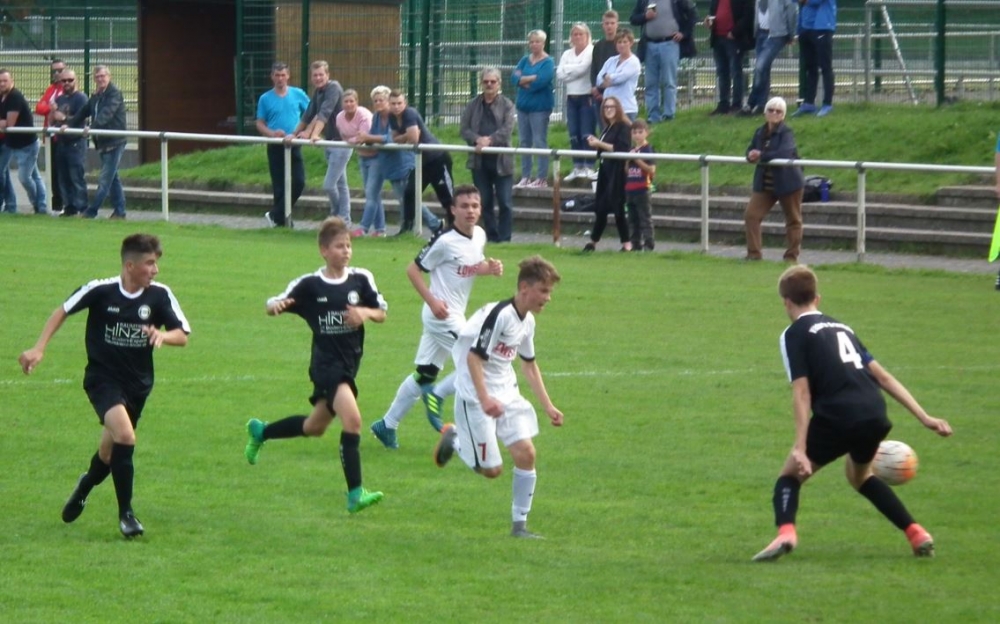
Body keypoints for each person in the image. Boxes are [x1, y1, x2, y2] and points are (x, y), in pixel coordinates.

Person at [752, 264, 953, 562]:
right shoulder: (842, 327)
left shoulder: (794, 334)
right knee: (860, 476)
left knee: (789, 478)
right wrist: (925, 417)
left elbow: (802, 392)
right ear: (817, 298)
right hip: (874, 413)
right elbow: (883, 377)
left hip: (838, 415)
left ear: (786, 302)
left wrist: (800, 447)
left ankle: (786, 533)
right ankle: (916, 533)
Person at [18, 234, 191, 538]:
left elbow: (182, 334)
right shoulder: (101, 290)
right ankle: (127, 515)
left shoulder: (160, 295)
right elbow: (63, 310)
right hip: (102, 380)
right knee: (126, 435)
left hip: (138, 386)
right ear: (130, 265)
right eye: (150, 263)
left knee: (108, 454)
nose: (155, 270)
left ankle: (85, 486)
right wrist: (39, 347)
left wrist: (163, 336)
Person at [244, 217, 386, 514]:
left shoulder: (361, 279)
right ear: (323, 250)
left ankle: (261, 432)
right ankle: (355, 494)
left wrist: (364, 313)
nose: (346, 251)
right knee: (353, 421)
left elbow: (381, 313)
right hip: (326, 366)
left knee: (314, 427)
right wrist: (276, 307)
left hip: (349, 364)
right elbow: (273, 303)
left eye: (348, 245)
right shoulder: (310, 285)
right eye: (339, 246)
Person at [433, 256, 563, 539]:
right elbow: (473, 358)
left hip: (507, 393)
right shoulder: (500, 315)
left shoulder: (527, 322)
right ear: (525, 288)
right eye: (543, 290)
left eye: (549, 292)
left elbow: (529, 366)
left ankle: (519, 527)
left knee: (527, 453)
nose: (548, 298)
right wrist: (485, 400)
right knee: (492, 470)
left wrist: (548, 406)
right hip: (476, 396)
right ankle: (454, 439)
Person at [370, 185, 503, 449]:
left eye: (475, 205)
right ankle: (442, 403)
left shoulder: (479, 235)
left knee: (425, 374)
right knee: (476, 363)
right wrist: (432, 301)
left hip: (453, 314)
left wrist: (489, 268)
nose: (470, 211)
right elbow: (413, 270)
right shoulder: (444, 241)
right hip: (442, 316)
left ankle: (387, 424)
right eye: (464, 206)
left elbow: (469, 266)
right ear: (453, 210)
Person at [743, 96, 804, 262]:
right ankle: (754, 255)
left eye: (779, 111)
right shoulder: (759, 132)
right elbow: (751, 149)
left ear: (783, 115)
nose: (774, 113)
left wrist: (761, 155)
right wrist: (750, 155)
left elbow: (785, 152)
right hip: (765, 184)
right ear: (765, 112)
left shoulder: (787, 133)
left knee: (793, 220)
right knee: (751, 215)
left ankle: (791, 257)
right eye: (771, 110)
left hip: (788, 183)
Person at [460, 67, 516, 243]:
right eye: (486, 82)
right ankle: (491, 237)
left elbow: (507, 129)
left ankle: (505, 239)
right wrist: (477, 139)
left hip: (502, 161)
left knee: (505, 202)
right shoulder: (472, 105)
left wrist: (489, 141)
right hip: (479, 161)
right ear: (481, 83)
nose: (489, 85)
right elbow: (464, 129)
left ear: (499, 83)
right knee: (484, 201)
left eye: (493, 81)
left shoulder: (507, 105)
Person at [65, 65, 127, 219]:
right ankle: (120, 211)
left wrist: (92, 127)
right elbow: (83, 112)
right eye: (97, 77)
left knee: (105, 179)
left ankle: (91, 211)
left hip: (115, 141)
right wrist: (69, 124)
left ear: (109, 76)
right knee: (113, 178)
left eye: (102, 76)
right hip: (103, 143)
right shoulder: (96, 96)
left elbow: (107, 114)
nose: (100, 79)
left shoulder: (114, 94)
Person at [294, 61, 350, 226]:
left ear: (327, 75)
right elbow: (309, 114)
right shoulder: (318, 92)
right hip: (330, 142)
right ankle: (344, 221)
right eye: (315, 75)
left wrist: (314, 134)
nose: (318, 78)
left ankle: (337, 215)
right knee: (341, 184)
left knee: (329, 185)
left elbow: (325, 112)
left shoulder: (333, 88)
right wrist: (294, 134)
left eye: (321, 75)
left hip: (341, 143)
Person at [256, 62, 310, 227]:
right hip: (275, 145)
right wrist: (272, 133)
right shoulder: (265, 98)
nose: (280, 79)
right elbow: (260, 123)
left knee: (298, 181)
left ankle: (275, 214)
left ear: (288, 76)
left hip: (293, 143)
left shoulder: (298, 94)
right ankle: (282, 222)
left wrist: (306, 131)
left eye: (283, 75)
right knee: (279, 185)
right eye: (277, 75)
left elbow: (311, 113)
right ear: (272, 77)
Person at [388, 90, 447, 236]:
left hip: (436, 157)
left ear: (405, 103)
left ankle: (452, 229)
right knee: (409, 193)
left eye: (399, 103)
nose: (396, 107)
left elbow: (414, 138)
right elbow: (396, 138)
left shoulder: (410, 113)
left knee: (446, 196)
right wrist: (406, 136)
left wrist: (404, 137)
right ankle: (407, 228)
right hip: (422, 160)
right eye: (393, 104)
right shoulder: (391, 116)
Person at [630, 0, 698, 124]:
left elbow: (693, 14)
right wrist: (645, 16)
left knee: (669, 81)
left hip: (670, 44)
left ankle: (669, 115)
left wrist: (684, 33)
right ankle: (653, 116)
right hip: (649, 45)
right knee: (651, 83)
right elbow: (633, 19)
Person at [583, 96, 632, 252]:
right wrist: (596, 143)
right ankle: (593, 242)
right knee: (601, 207)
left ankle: (626, 244)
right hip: (605, 171)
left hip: (617, 172)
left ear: (618, 109)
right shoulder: (608, 127)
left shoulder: (623, 127)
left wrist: (599, 143)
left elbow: (621, 148)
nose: (608, 109)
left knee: (617, 208)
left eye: (611, 106)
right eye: (605, 107)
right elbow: (605, 148)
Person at [0, 68, 48, 214]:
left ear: (12, 81)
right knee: (6, 172)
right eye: (0, 81)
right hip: (11, 143)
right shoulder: (2, 97)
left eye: (5, 81)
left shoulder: (15, 97)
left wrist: (3, 123)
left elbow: (9, 124)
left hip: (27, 144)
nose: (2, 84)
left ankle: (38, 204)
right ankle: (21, 205)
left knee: (25, 178)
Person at [512, 30, 555, 189]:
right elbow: (514, 78)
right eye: (531, 41)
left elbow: (541, 82)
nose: (534, 44)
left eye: (537, 41)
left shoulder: (548, 62)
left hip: (540, 108)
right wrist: (530, 78)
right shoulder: (524, 60)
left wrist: (523, 81)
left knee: (539, 141)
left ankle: (541, 178)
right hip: (523, 107)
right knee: (524, 141)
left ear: (543, 43)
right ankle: (525, 176)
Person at [740, 0, 798, 116]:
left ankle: (752, 102)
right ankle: (760, 105)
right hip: (761, 33)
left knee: (760, 67)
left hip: (777, 34)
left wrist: (791, 33)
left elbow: (792, 10)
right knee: (763, 69)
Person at [556, 22, 596, 182]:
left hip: (586, 96)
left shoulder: (591, 51)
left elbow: (583, 69)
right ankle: (577, 166)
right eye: (575, 34)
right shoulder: (567, 54)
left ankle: (589, 166)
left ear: (587, 36)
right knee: (574, 133)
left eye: (581, 34)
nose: (578, 37)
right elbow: (560, 74)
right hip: (571, 97)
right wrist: (573, 69)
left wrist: (569, 70)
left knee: (587, 132)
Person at [706, 0, 756, 115]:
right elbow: (713, 13)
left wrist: (735, 32)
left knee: (736, 72)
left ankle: (736, 104)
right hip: (718, 38)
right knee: (722, 72)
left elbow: (748, 15)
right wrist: (709, 21)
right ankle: (723, 104)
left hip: (734, 39)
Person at [51, 69, 89, 217]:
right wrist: (53, 113)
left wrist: (64, 119)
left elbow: (81, 118)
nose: (67, 83)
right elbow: (54, 120)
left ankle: (83, 208)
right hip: (61, 142)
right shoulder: (59, 99)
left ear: (76, 80)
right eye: (64, 80)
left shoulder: (81, 98)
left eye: (70, 80)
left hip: (76, 143)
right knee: (63, 177)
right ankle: (69, 207)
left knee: (76, 177)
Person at [334, 88, 372, 232]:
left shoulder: (363, 115)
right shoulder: (339, 117)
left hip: (375, 155)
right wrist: (353, 140)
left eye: (352, 101)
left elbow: (363, 136)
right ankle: (377, 229)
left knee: (372, 192)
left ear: (357, 102)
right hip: (362, 154)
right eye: (346, 101)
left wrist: (353, 140)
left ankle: (368, 228)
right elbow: (344, 135)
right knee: (371, 192)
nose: (349, 104)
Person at [791, 0, 837, 117]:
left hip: (822, 27)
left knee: (825, 67)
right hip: (805, 28)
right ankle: (809, 103)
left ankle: (827, 103)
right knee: (810, 67)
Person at [352, 86, 386, 237]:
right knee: (373, 194)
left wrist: (367, 138)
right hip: (367, 156)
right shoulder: (376, 117)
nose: (378, 103)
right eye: (375, 101)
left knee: (371, 193)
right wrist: (363, 138)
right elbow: (372, 135)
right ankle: (380, 229)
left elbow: (389, 137)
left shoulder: (390, 117)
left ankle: (363, 228)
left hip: (380, 158)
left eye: (381, 100)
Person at [35, 58, 66, 212]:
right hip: (50, 136)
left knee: (62, 171)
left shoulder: (67, 89)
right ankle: (56, 203)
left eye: (60, 70)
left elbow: (65, 110)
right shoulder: (51, 89)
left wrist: (54, 109)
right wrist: (51, 108)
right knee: (52, 172)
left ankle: (65, 203)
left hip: (63, 137)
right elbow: (39, 108)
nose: (57, 73)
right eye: (54, 71)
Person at [595, 29, 642, 121]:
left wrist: (608, 77)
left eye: (625, 42)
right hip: (608, 109)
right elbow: (598, 80)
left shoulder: (633, 62)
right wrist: (607, 79)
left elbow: (619, 78)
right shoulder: (611, 61)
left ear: (631, 43)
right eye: (619, 42)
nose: (622, 45)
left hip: (626, 108)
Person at [625, 119, 656, 251]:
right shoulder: (631, 150)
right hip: (630, 188)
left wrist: (637, 159)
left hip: (642, 188)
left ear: (646, 132)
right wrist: (628, 160)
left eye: (640, 132)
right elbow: (626, 170)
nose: (637, 135)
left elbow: (651, 170)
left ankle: (649, 244)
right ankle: (635, 244)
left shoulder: (648, 149)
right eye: (634, 132)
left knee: (645, 218)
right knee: (632, 219)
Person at [591, 11, 621, 132]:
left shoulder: (620, 45)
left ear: (617, 24)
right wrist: (594, 87)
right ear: (603, 25)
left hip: (615, 92)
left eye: (612, 23)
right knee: (603, 127)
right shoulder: (598, 45)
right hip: (599, 93)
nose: (609, 26)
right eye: (607, 23)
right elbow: (594, 68)